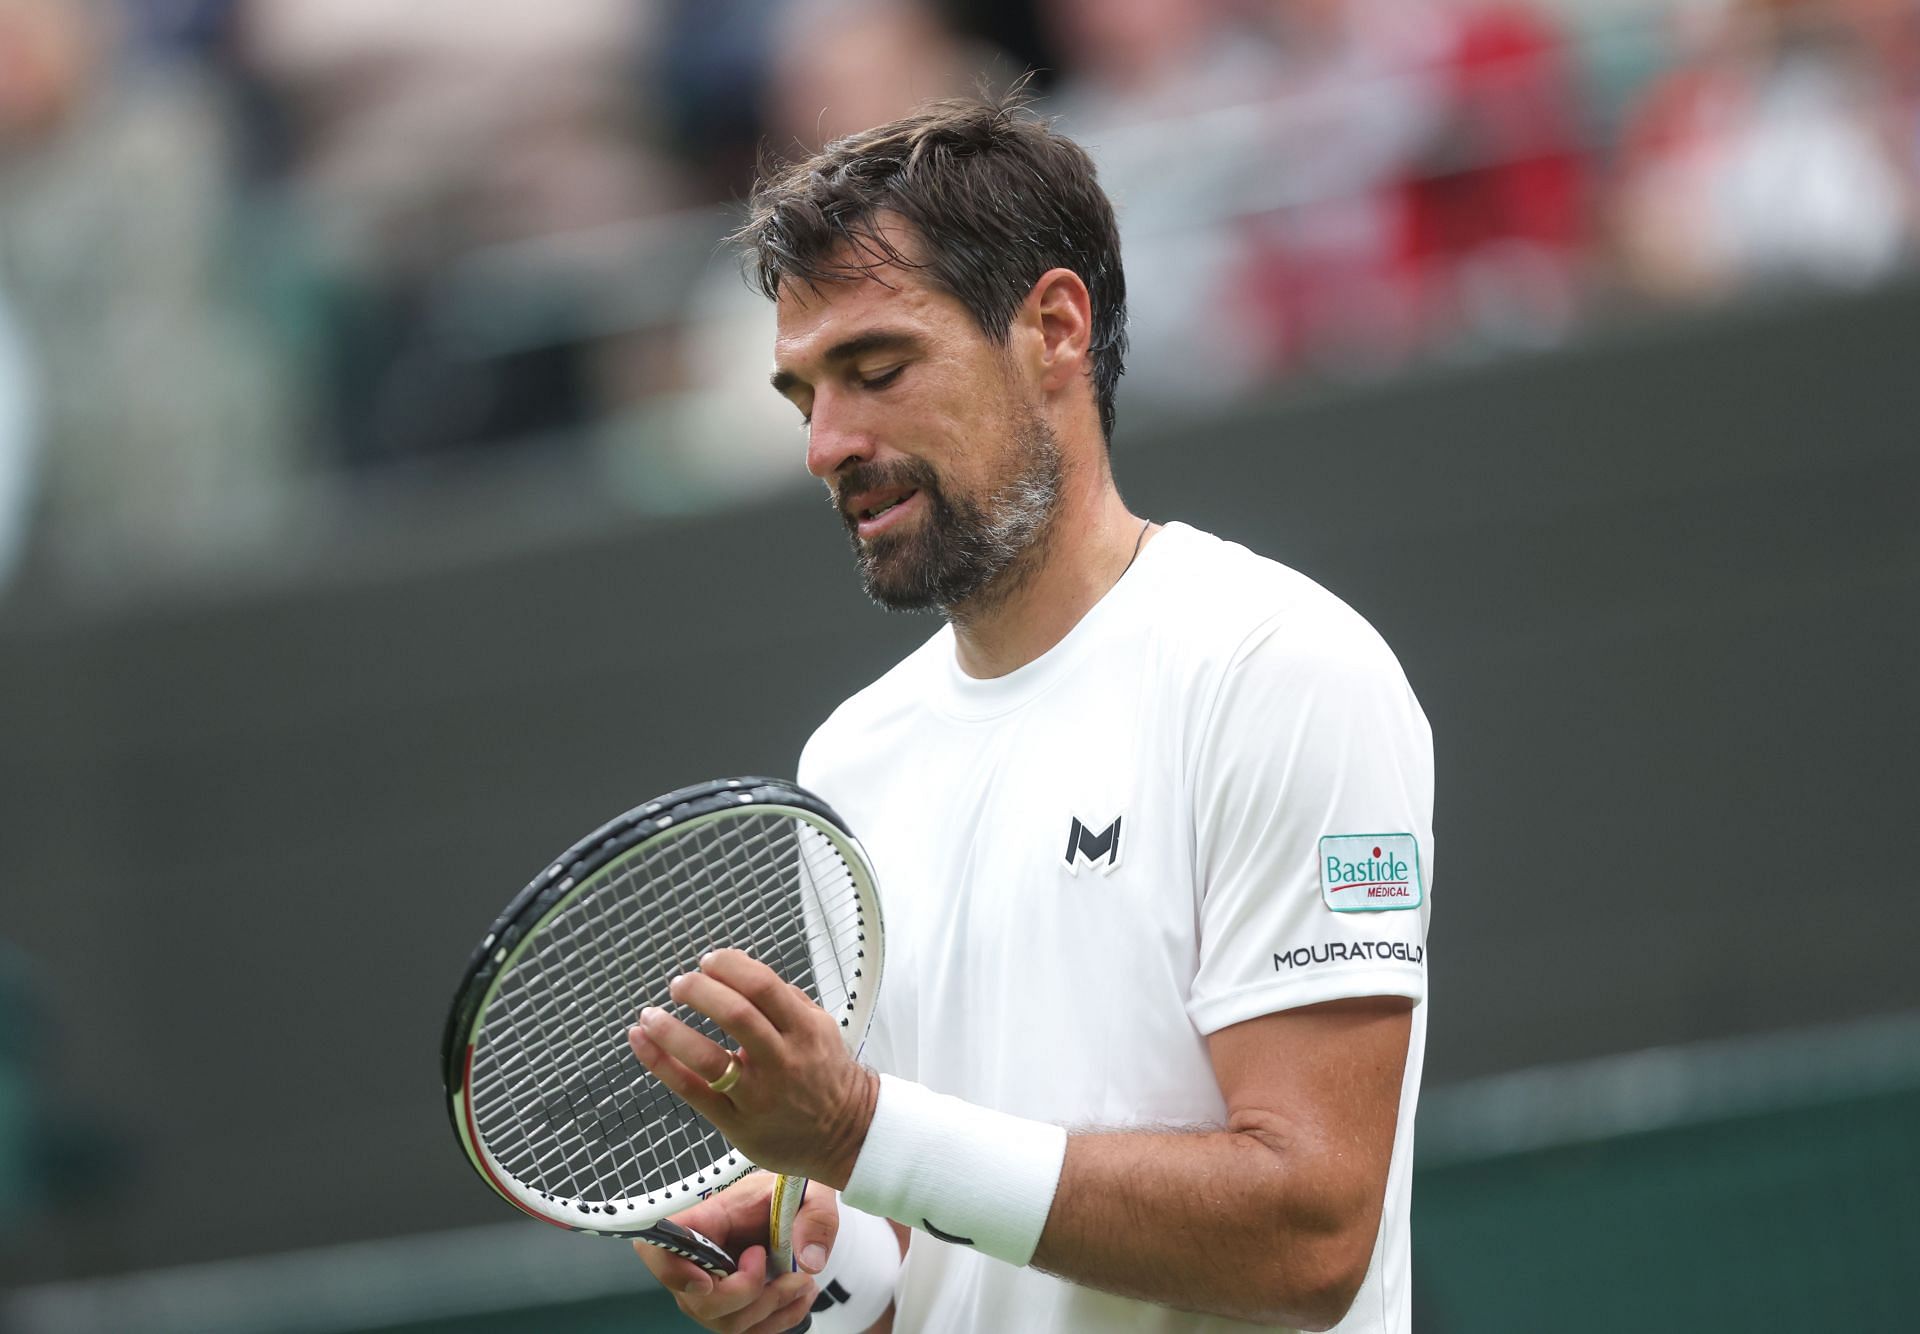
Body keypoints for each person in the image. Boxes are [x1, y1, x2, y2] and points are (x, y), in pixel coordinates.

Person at [626, 92, 1434, 1334]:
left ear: (1054, 327)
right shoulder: (848, 764)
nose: (827, 444)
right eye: (804, 397)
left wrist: (857, 1126)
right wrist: (820, 1275)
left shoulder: (1281, 667)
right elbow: (937, 1250)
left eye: (877, 368)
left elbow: (1315, 1227)